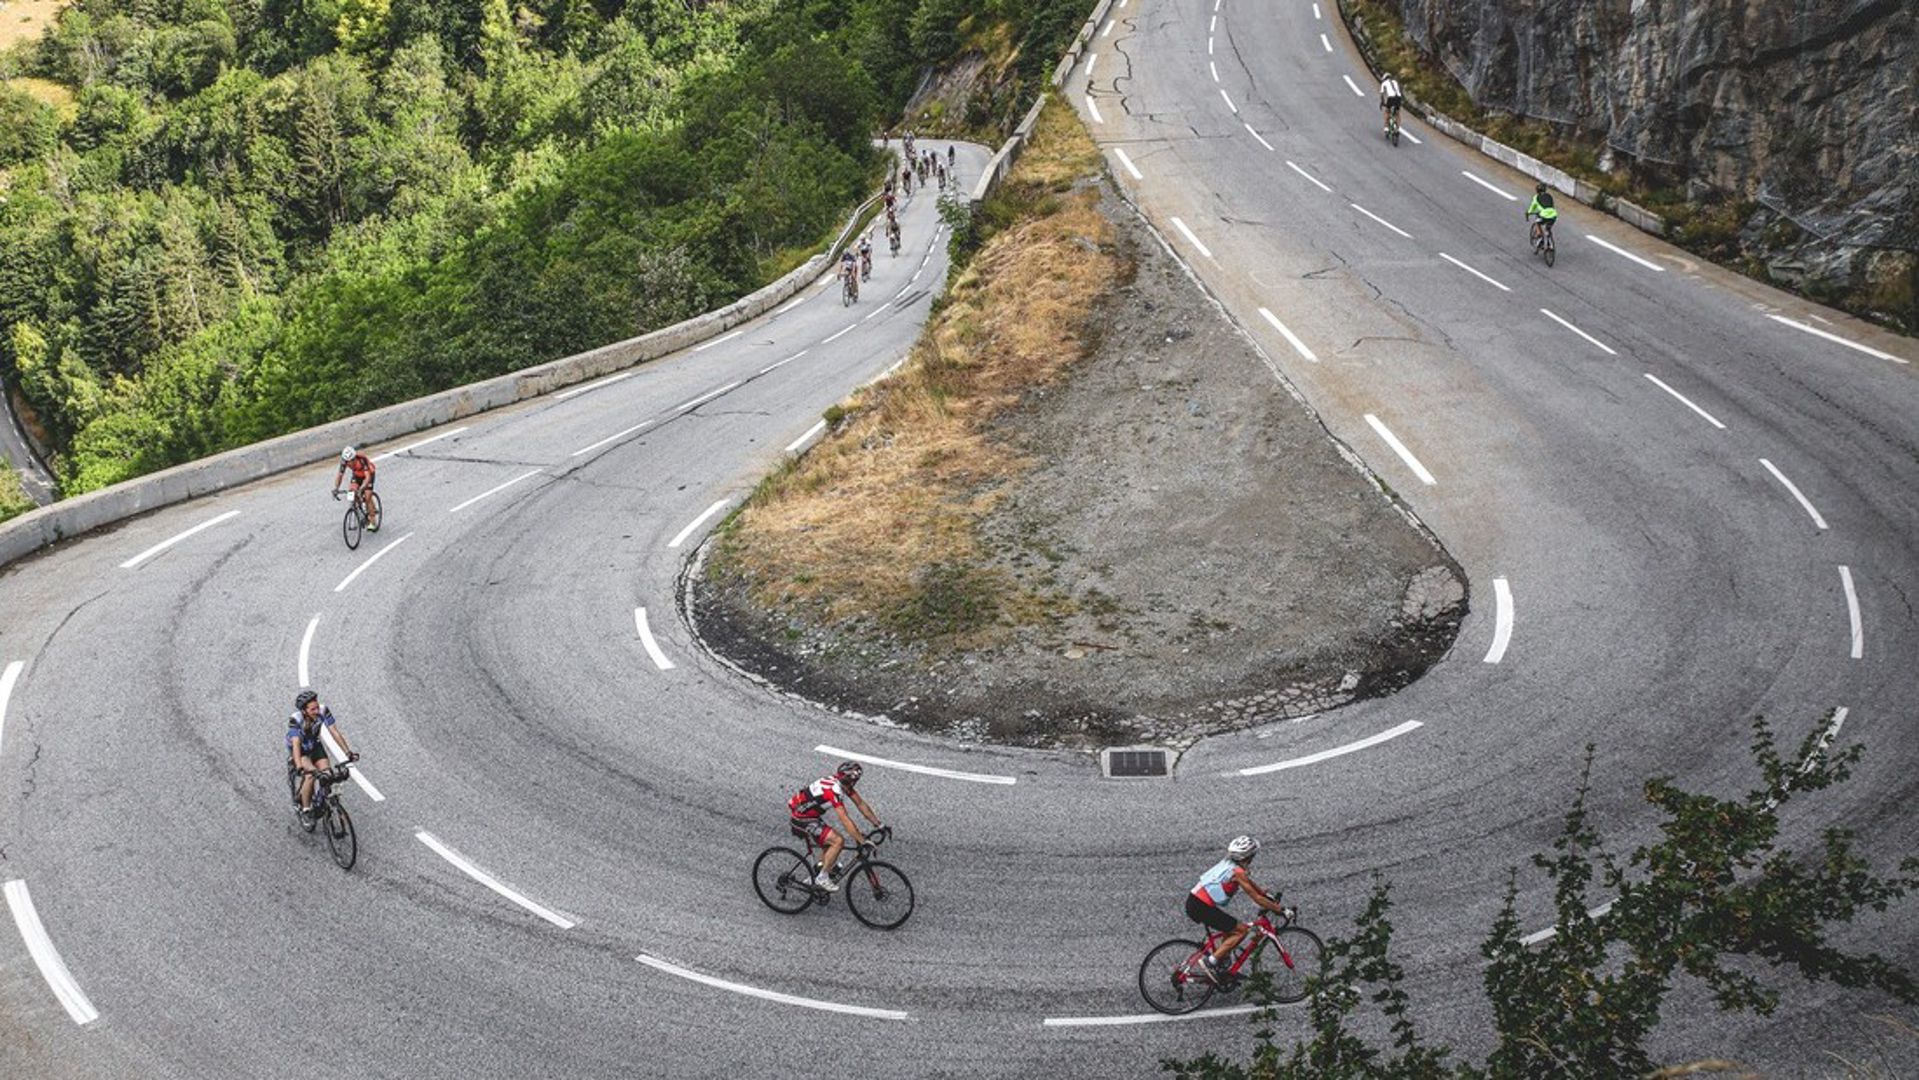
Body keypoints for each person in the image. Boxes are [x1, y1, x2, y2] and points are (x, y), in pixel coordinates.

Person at [1186, 836, 1288, 983]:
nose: (1253, 857)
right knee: (1241, 930)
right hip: (1201, 906)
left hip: (1195, 901)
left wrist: (1266, 895)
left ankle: (1221, 964)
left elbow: (1251, 885)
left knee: (1230, 928)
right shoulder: (1238, 872)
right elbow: (1256, 898)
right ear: (1248, 856)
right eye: (1253, 855)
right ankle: (1211, 962)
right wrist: (1280, 909)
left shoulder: (1231, 864)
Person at [787, 762, 883, 892]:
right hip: (801, 818)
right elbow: (844, 819)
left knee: (830, 847)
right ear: (850, 779)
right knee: (837, 841)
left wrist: (879, 824)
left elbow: (860, 804)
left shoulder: (841, 783)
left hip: (809, 814)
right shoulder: (833, 790)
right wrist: (862, 841)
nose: (854, 783)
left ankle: (816, 875)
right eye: (854, 780)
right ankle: (822, 878)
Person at [287, 690, 358, 821]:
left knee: (327, 774)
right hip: (301, 751)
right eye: (312, 709)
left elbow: (335, 732)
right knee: (310, 775)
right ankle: (306, 809)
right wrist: (299, 766)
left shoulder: (323, 710)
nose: (317, 711)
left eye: (317, 706)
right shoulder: (295, 720)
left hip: (315, 745)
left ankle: (322, 801)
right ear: (304, 711)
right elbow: (296, 744)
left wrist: (348, 752)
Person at [333, 446, 375, 514]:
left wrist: (361, 489)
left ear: (355, 457)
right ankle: (358, 509)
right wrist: (336, 488)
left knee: (367, 496)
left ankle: (372, 521)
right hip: (357, 474)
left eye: (352, 460)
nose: (350, 463)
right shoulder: (344, 462)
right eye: (348, 461)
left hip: (368, 473)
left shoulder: (362, 459)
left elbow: (367, 478)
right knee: (352, 492)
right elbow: (340, 475)